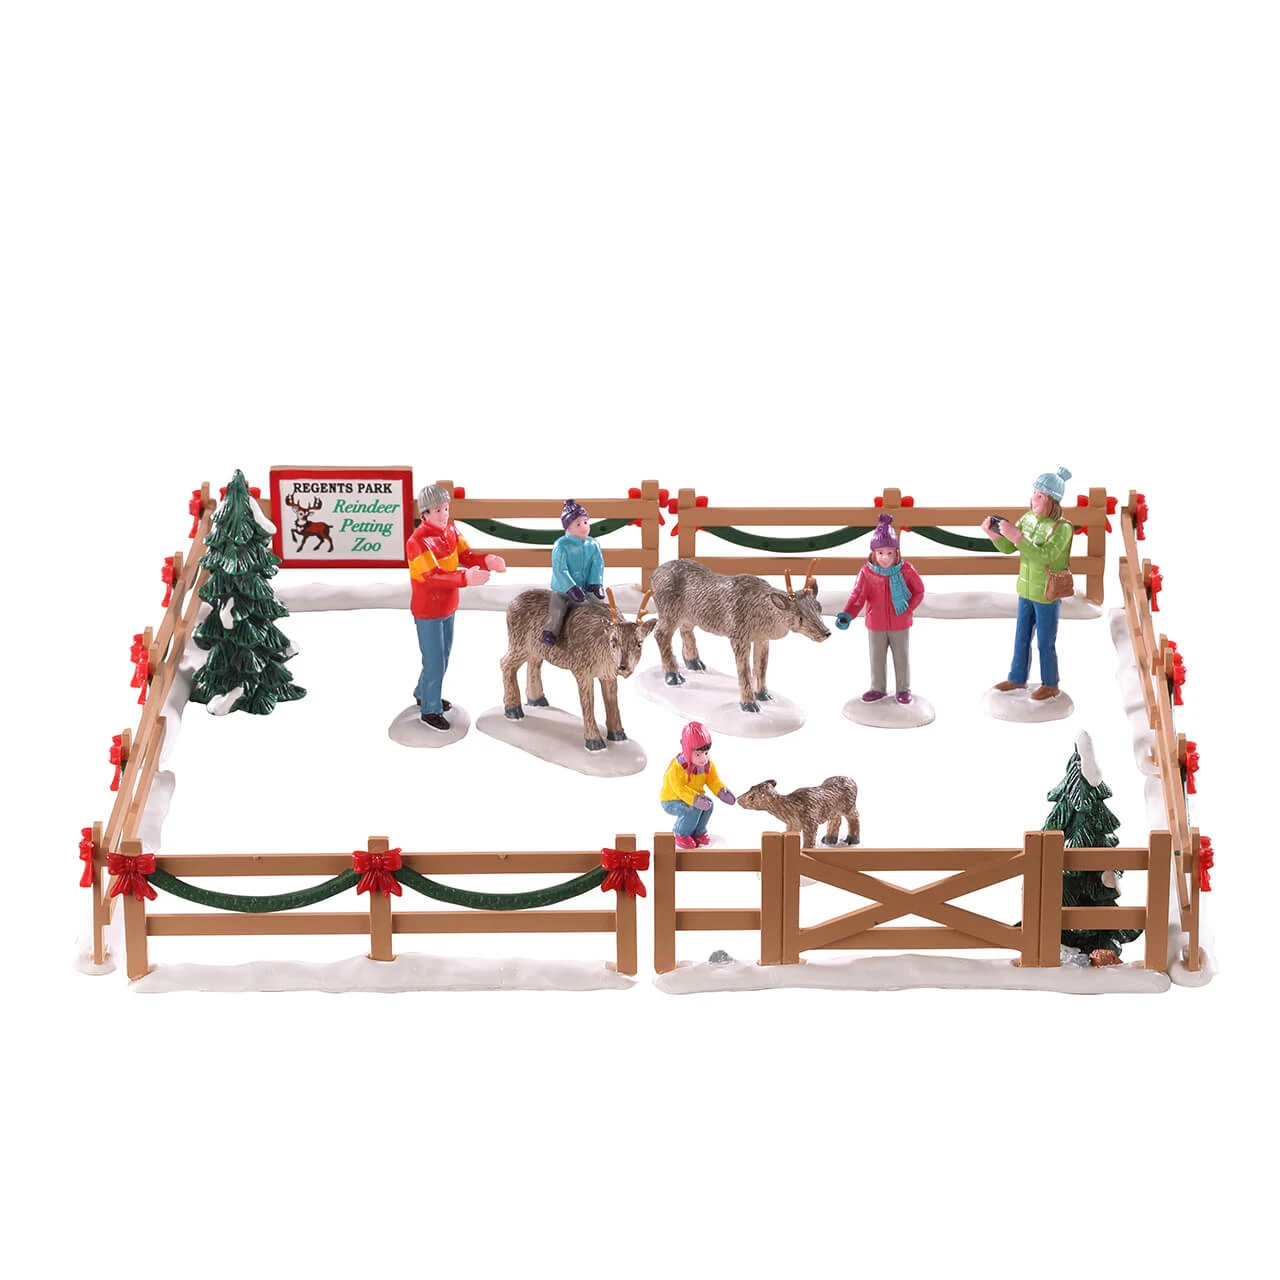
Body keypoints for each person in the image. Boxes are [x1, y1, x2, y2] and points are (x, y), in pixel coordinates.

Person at [406, 483, 506, 730]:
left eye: (446, 508)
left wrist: (487, 560)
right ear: (425, 514)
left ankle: (423, 692)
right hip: (428, 610)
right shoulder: (417, 542)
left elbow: (467, 556)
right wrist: (465, 578)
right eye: (438, 510)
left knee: (442, 657)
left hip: (448, 605)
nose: (444, 514)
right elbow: (432, 576)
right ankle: (430, 709)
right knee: (435, 661)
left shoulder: (451, 530)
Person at [983, 465, 1074, 701]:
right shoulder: (1027, 518)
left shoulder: (1062, 528)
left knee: (1045, 642)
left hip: (1046, 593)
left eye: (1040, 495)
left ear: (1052, 500)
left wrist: (1017, 537)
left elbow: (1045, 556)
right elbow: (1009, 548)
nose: (1034, 498)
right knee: (1021, 637)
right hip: (1025, 590)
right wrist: (995, 535)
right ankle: (1017, 678)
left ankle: (1050, 683)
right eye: (1034, 492)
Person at [835, 514, 925, 704]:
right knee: (877, 657)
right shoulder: (866, 573)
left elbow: (919, 591)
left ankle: (903, 689)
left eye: (890, 553)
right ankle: (877, 687)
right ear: (873, 553)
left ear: (896, 552)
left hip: (900, 622)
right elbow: (858, 596)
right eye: (880, 552)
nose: (885, 557)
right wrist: (847, 614)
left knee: (901, 657)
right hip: (875, 623)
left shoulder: (906, 570)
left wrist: (908, 608)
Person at [659, 721, 736, 850]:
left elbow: (713, 781)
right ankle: (681, 833)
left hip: (694, 798)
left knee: (709, 805)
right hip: (671, 800)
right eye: (698, 754)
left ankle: (699, 832)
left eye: (706, 753)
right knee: (691, 809)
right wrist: (695, 799)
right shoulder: (677, 768)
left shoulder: (707, 766)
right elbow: (680, 789)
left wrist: (721, 791)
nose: (703, 758)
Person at [542, 499, 606, 645]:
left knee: (600, 605)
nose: (584, 527)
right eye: (578, 524)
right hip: (563, 590)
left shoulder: (593, 544)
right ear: (568, 527)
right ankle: (550, 632)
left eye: (585, 522)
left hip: (586, 588)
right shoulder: (561, 546)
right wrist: (570, 587)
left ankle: (603, 631)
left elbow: (597, 564)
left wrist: (596, 583)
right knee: (557, 610)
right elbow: (560, 570)